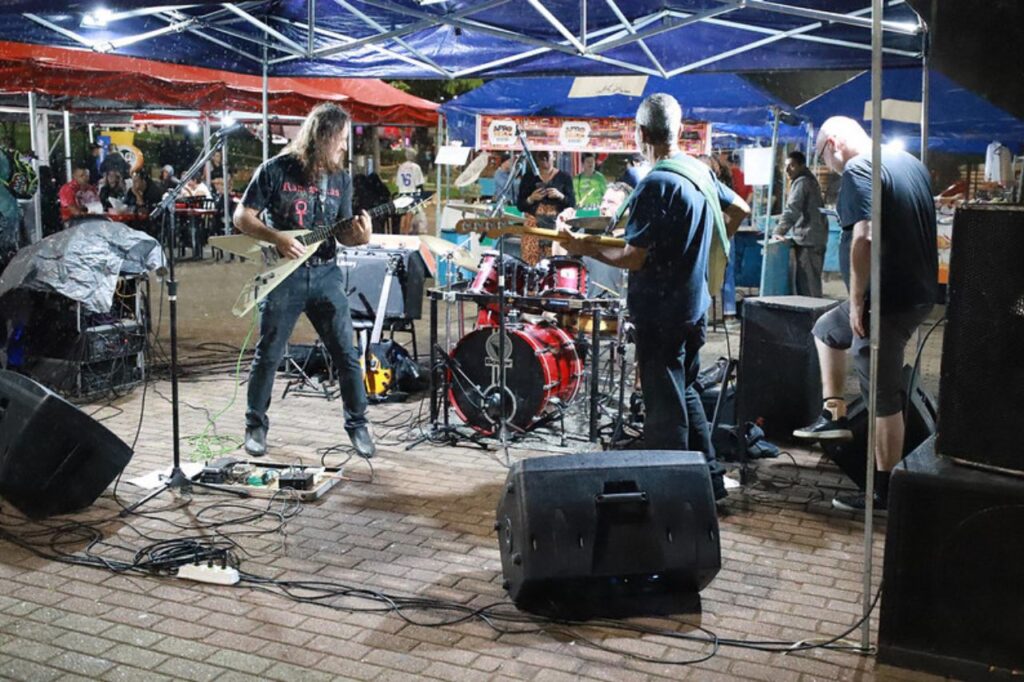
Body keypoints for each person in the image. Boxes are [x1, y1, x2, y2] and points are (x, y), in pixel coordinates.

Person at [559, 94, 749, 501]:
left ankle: (672, 495)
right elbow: (739, 211)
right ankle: (710, 479)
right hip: (693, 307)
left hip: (661, 312)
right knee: (687, 389)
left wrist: (583, 248)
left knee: (664, 408)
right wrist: (700, 248)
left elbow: (632, 256)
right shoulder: (697, 171)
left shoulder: (657, 183)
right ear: (678, 130)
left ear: (641, 133)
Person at [792, 116, 937, 512]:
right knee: (826, 329)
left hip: (885, 301)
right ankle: (833, 411)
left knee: (882, 396)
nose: (827, 165)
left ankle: (884, 495)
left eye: (823, 157)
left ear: (834, 143)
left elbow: (865, 237)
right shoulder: (908, 162)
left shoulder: (858, 168)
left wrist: (857, 302)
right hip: (917, 293)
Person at [233, 103, 375, 459]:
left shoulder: (340, 178)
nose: (345, 147)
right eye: (341, 140)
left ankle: (358, 425)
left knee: (346, 352)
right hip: (285, 277)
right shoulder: (275, 170)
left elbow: (342, 232)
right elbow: (242, 217)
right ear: (322, 137)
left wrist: (360, 237)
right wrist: (277, 237)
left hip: (327, 274)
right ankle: (255, 426)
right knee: (268, 353)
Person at [773, 151, 828, 297]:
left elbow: (792, 209)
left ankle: (813, 317)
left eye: (791, 166)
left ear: (801, 166)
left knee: (809, 286)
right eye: (786, 166)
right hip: (814, 238)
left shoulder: (802, 182)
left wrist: (779, 231)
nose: (787, 170)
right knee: (812, 283)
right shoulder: (810, 180)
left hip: (808, 240)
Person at [517, 150, 574, 264]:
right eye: (541, 158)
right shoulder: (528, 177)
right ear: (536, 159)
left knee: (553, 261)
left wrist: (560, 196)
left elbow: (572, 203)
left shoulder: (564, 177)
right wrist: (531, 198)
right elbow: (520, 205)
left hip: (555, 222)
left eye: (547, 157)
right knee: (530, 261)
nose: (544, 161)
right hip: (533, 222)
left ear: (553, 157)